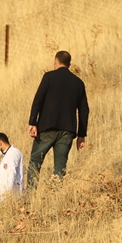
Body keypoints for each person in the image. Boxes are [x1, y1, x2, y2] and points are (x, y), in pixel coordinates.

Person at [27, 51, 89, 187]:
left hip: (47, 127)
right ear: (69, 64)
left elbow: (38, 99)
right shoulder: (78, 83)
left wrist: (33, 122)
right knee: (60, 167)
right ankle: (55, 196)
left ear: (56, 62)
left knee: (35, 161)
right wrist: (81, 134)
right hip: (67, 131)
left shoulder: (49, 77)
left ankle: (30, 197)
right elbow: (84, 110)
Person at [0, 133, 25, 202]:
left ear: (0, 143)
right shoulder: (7, 155)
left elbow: (12, 173)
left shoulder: (13, 153)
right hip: (4, 197)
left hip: (11, 196)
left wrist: (8, 194)